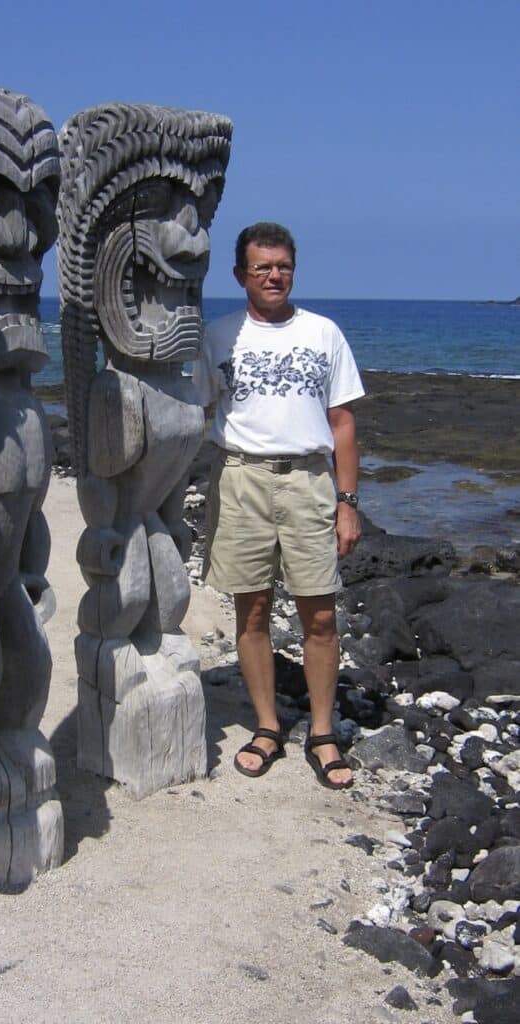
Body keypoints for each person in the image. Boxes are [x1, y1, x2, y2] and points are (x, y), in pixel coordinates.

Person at [193, 222, 364, 790]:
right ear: (240, 274)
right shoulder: (217, 335)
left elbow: (342, 424)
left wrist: (347, 502)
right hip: (240, 478)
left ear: (294, 270)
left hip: (309, 481)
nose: (273, 275)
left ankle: (321, 732)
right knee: (254, 609)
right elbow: (194, 414)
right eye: (262, 266)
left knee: (319, 613)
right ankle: (267, 727)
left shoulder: (324, 333)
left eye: (283, 266)